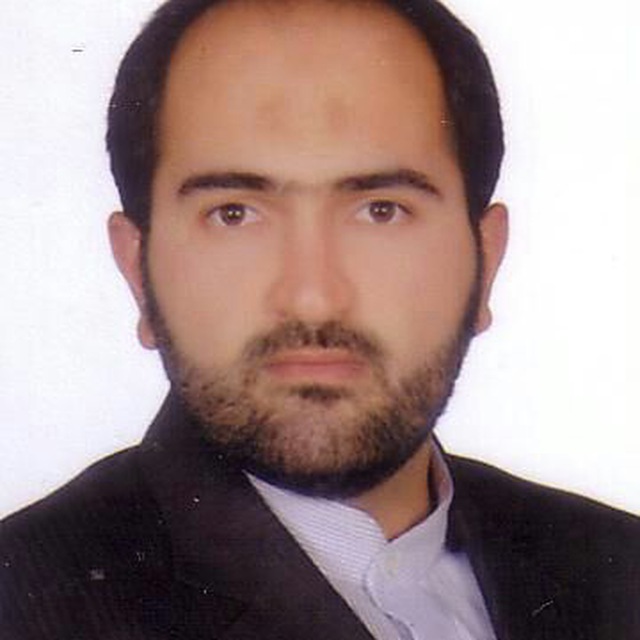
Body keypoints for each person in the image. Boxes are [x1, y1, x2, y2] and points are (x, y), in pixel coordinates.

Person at [0, 0, 637, 638]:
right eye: (234, 215)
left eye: (381, 211)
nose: (312, 297)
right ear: (138, 272)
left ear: (486, 260)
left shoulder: (619, 571)